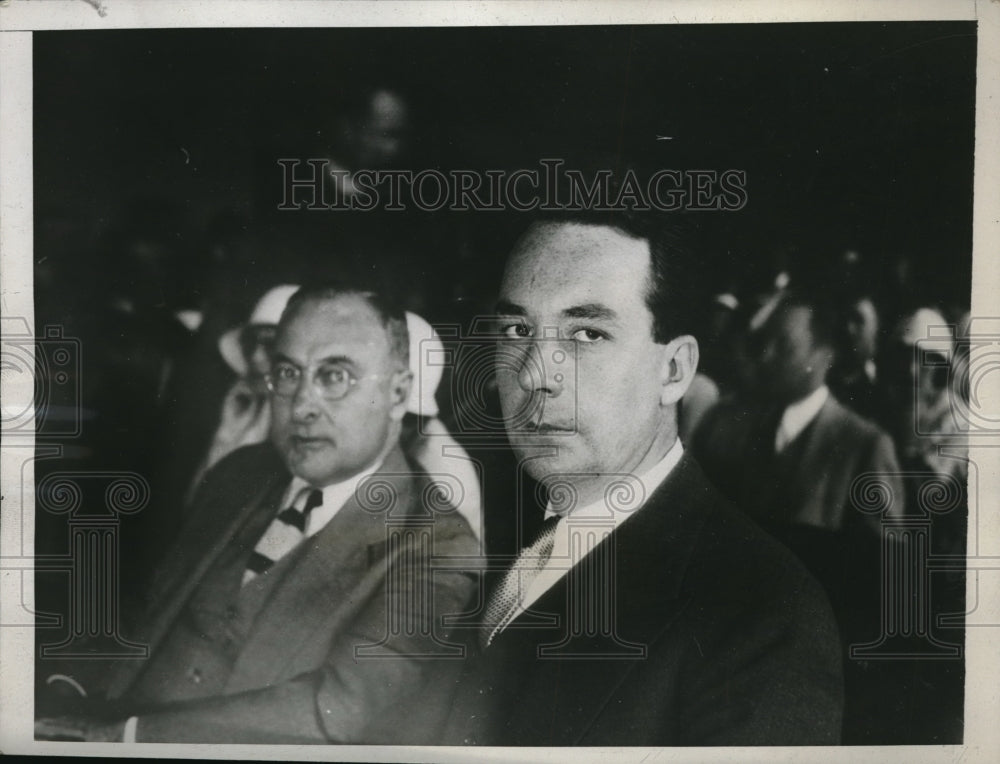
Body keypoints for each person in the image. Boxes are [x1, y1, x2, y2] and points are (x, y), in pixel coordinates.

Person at [442, 212, 844, 746]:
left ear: (674, 370)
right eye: (517, 330)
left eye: (587, 332)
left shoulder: (763, 617)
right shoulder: (491, 528)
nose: (535, 373)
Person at [35, 284, 478, 744]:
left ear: (398, 393)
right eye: (288, 372)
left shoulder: (438, 545)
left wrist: (126, 736)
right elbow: (149, 606)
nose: (302, 405)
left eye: (335, 376)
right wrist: (67, 687)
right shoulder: (240, 473)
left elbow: (337, 709)